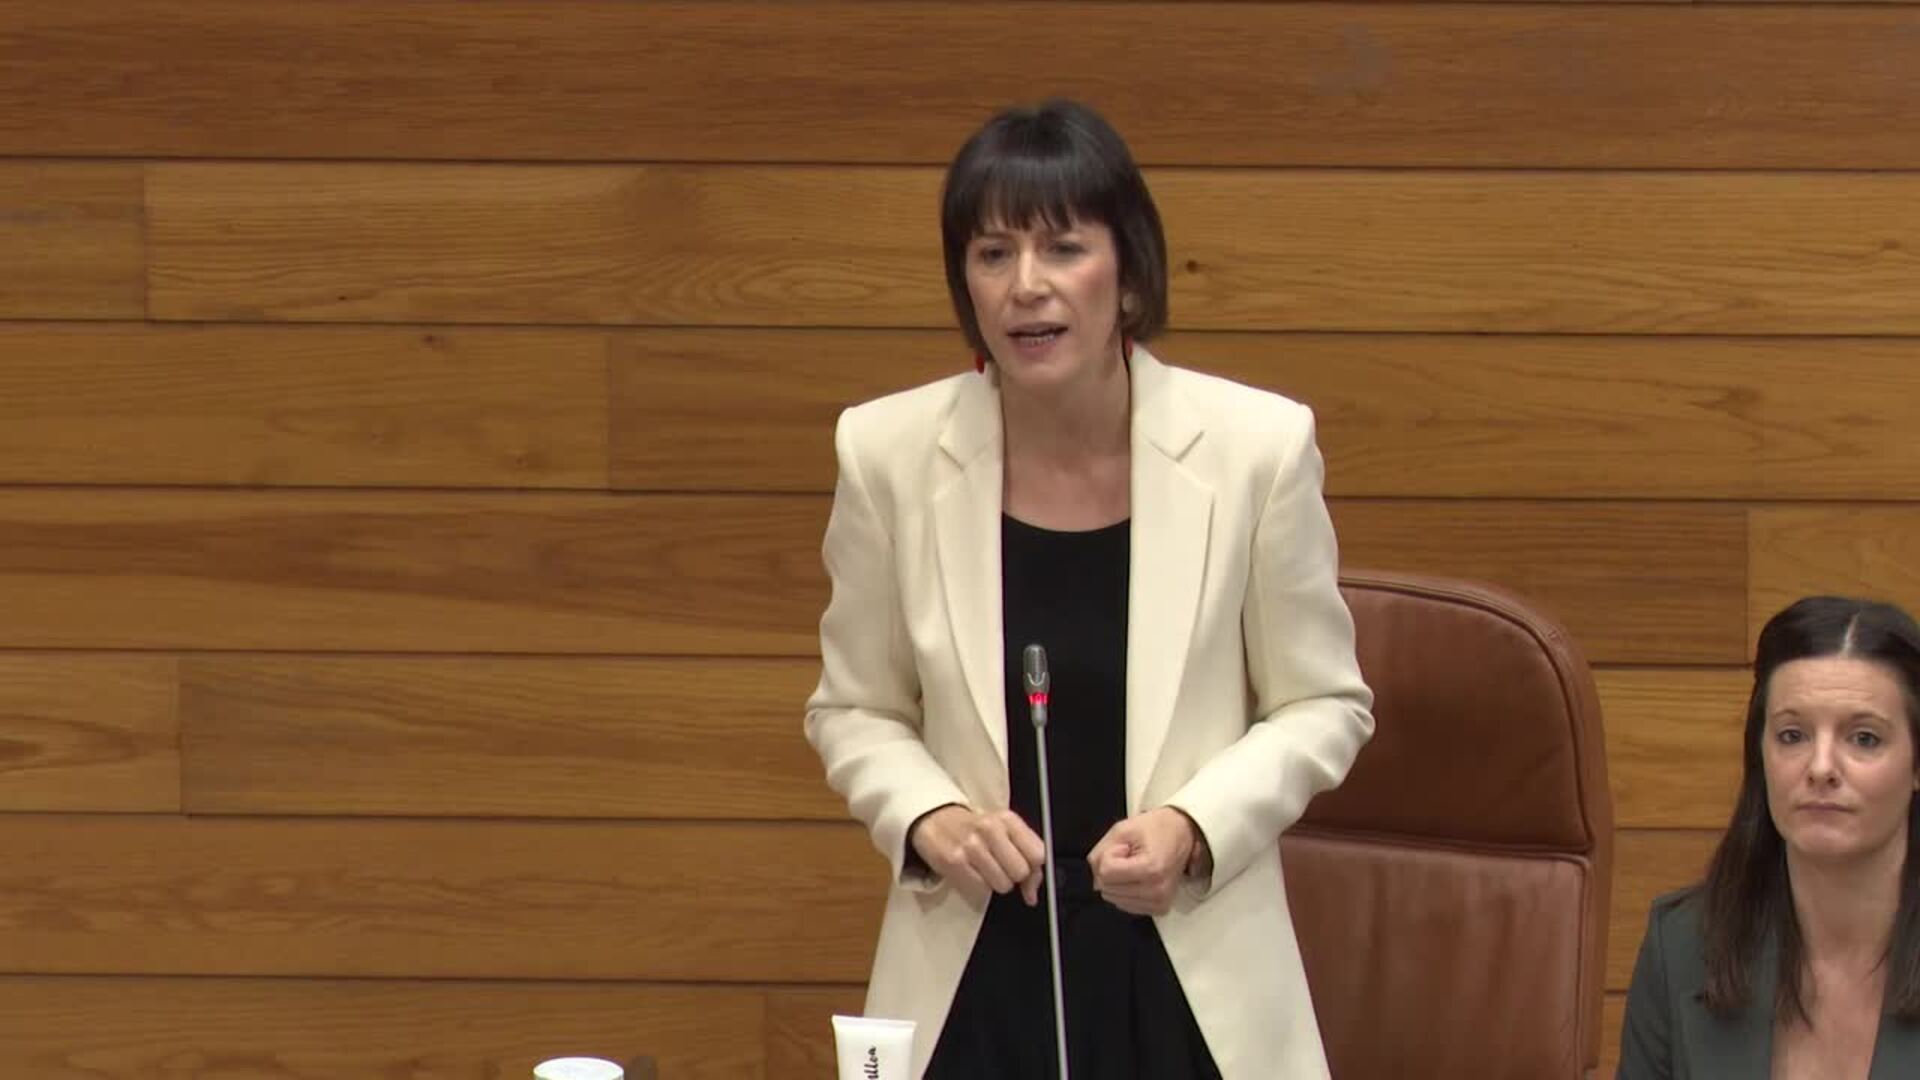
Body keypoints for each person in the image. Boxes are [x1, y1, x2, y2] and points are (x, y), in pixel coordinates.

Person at [804, 98, 1374, 1080]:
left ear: (1130, 271)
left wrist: (1194, 827)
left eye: (1063, 248)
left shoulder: (1257, 451)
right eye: (993, 254)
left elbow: (1324, 703)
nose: (1026, 285)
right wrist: (932, 819)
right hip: (977, 963)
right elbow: (855, 709)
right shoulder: (887, 453)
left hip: (1185, 961)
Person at [1618, 596, 1920, 1077]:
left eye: (1864, 738)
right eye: (1792, 735)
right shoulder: (1682, 947)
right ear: (1760, 756)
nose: (1820, 767)